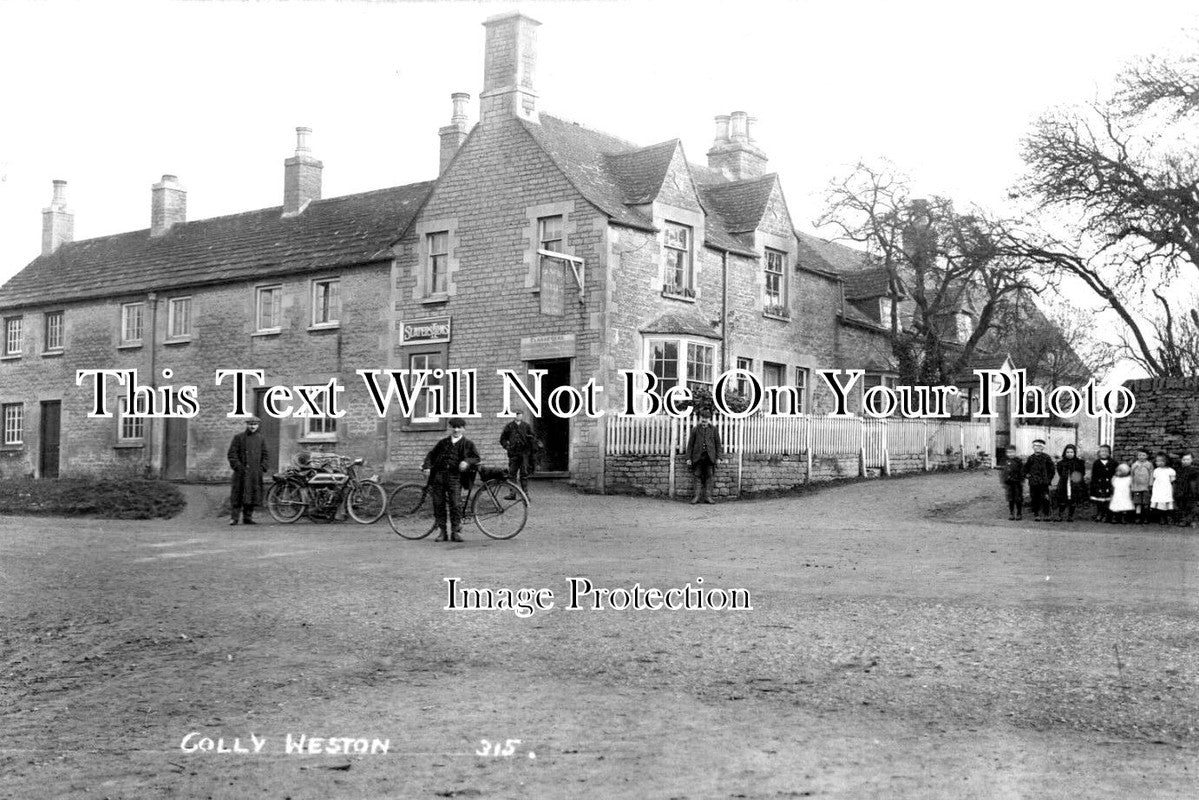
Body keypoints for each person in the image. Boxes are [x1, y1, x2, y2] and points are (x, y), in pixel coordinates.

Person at [422, 417, 480, 542]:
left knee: (455, 503)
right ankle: (442, 532)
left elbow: (476, 458)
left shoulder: (468, 444)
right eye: (453, 427)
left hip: (455, 477)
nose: (456, 429)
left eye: (459, 427)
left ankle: (455, 532)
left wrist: (466, 462)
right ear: (450, 428)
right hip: (439, 476)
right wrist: (426, 467)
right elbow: (431, 455)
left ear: (463, 429)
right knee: (438, 504)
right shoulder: (443, 443)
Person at [227, 416, 270, 526]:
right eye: (250, 424)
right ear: (247, 425)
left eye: (255, 424)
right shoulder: (239, 437)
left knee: (251, 495)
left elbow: (265, 455)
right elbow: (232, 454)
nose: (252, 427)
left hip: (254, 473)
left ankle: (248, 517)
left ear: (258, 425)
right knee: (237, 496)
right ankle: (234, 518)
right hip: (241, 473)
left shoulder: (261, 438)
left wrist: (262, 467)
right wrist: (238, 467)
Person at [499, 408, 541, 500]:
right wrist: (507, 446)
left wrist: (530, 440)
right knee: (512, 474)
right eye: (517, 414)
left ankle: (525, 494)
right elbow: (502, 439)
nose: (519, 416)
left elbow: (533, 438)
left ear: (522, 415)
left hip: (524, 454)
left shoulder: (526, 426)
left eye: (520, 414)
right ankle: (512, 494)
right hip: (513, 454)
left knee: (524, 474)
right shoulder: (509, 426)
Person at [685, 412, 722, 504]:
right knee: (697, 476)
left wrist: (718, 458)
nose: (704, 423)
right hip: (698, 457)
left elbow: (718, 444)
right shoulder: (695, 430)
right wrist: (688, 458)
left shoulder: (713, 430)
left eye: (705, 421)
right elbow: (690, 445)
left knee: (710, 476)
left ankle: (708, 497)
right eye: (702, 421)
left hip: (710, 457)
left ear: (709, 420)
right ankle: (696, 497)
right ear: (699, 419)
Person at [1054, 444, 1088, 522]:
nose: (1069, 454)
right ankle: (1060, 515)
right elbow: (1060, 472)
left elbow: (1082, 473)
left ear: (1074, 453)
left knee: (1073, 500)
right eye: (1068, 452)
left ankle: (1070, 516)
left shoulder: (1079, 462)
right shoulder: (1061, 463)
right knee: (1062, 499)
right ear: (1065, 453)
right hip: (1064, 483)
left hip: (1074, 483)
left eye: (1071, 452)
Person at [1024, 439, 1055, 522]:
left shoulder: (1046, 458)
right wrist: (1027, 475)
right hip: (1033, 483)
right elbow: (1025, 469)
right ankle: (1036, 514)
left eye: (1040, 446)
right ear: (1033, 447)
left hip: (1044, 483)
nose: (1037, 448)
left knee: (1046, 498)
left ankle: (1046, 514)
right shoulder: (1031, 458)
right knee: (1035, 498)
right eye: (1035, 446)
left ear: (1043, 448)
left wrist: (1048, 479)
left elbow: (1052, 470)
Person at [1088, 444, 1117, 523]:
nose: (1104, 453)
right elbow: (1094, 475)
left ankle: (1109, 516)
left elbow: (1115, 474)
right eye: (1102, 451)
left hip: (1109, 484)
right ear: (1099, 453)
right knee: (1100, 501)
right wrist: (1094, 484)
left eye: (1106, 451)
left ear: (1109, 453)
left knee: (1109, 500)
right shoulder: (1096, 463)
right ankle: (1100, 514)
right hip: (1099, 484)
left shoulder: (1113, 463)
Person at [1149, 451, 1176, 525]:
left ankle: (1169, 517)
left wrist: (1173, 490)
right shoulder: (1156, 471)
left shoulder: (1170, 470)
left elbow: (1172, 481)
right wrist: (1151, 487)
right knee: (1160, 502)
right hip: (1158, 489)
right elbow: (1153, 480)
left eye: (1161, 461)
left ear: (1166, 461)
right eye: (1157, 461)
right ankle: (1162, 518)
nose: (1159, 463)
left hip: (1166, 488)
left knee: (1167, 502)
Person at [1000, 444, 1024, 521]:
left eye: (1012, 452)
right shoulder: (1005, 461)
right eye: (1008, 452)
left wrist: (1021, 481)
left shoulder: (1019, 461)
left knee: (1018, 498)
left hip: (1017, 483)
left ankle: (1019, 513)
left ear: (1015, 452)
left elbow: (1022, 472)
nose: (1010, 454)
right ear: (1006, 453)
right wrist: (1003, 482)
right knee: (1010, 499)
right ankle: (1011, 513)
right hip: (1009, 483)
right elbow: (1002, 473)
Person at [1130, 449, 1154, 524]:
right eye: (1140, 455)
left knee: (1146, 502)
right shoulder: (1134, 465)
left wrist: (1150, 484)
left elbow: (1151, 474)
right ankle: (1138, 517)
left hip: (1146, 487)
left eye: (1143, 455)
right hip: (1136, 487)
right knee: (1137, 503)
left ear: (1147, 456)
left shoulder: (1149, 465)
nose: (1141, 457)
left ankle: (1145, 517)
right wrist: (1131, 484)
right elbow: (1131, 475)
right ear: (1137, 456)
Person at [1175, 453, 1198, 528]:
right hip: (1182, 491)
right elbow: (1178, 481)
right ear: (1181, 460)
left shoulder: (1194, 471)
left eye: (1188, 459)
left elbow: (1195, 483)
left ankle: (1192, 520)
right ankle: (1183, 520)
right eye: (1184, 460)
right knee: (1182, 506)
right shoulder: (1179, 470)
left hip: (1191, 492)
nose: (1185, 461)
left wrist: (1195, 492)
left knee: (1191, 507)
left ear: (1191, 460)